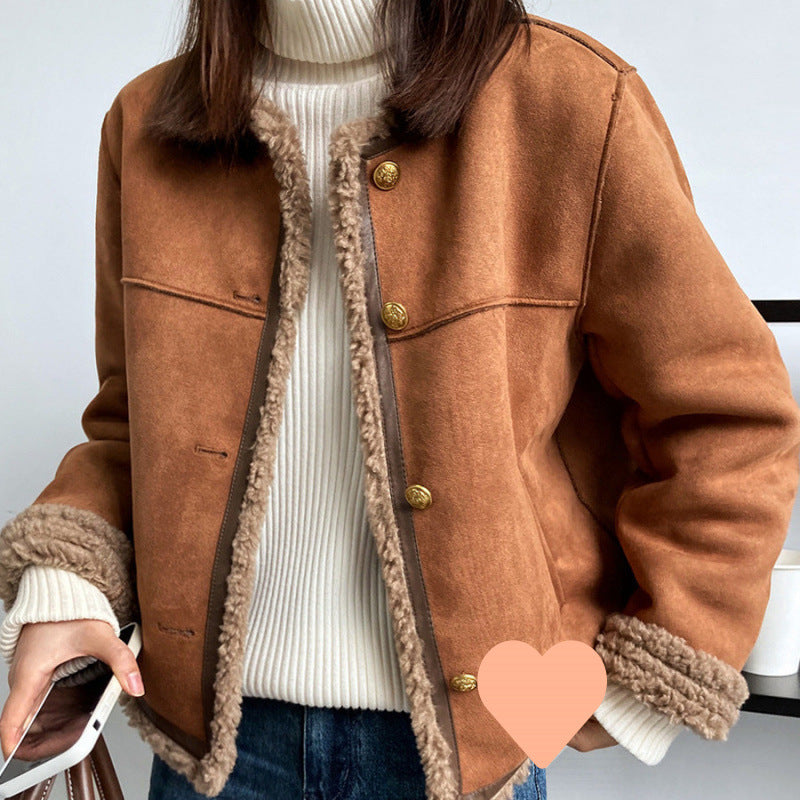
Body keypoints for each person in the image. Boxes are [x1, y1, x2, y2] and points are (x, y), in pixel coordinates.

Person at [2, 1, 799, 799]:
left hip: (459, 762)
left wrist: (654, 675)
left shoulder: (569, 99)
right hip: (210, 756)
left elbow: (728, 415)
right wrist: (66, 589)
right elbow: (131, 427)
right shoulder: (147, 122)